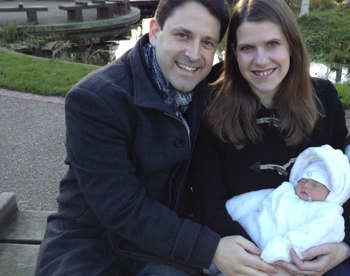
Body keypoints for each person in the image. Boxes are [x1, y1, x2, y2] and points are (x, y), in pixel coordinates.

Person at [34, 1, 278, 275]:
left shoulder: (210, 93)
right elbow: (122, 208)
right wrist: (211, 249)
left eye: (207, 43)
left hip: (164, 247)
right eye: (182, 35)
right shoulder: (96, 100)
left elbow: (272, 78)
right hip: (91, 245)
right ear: (154, 31)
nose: (194, 54)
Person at [189, 0, 350, 275]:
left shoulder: (324, 98)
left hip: (313, 243)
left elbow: (345, 185)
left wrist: (345, 246)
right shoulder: (210, 103)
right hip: (244, 250)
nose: (261, 60)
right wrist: (269, 262)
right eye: (247, 48)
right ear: (233, 52)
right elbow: (207, 202)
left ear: (291, 45)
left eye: (272, 44)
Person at [225, 144, 350, 263]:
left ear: (333, 193)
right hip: (249, 232)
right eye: (303, 181)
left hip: (277, 256)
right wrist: (230, 210)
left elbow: (308, 237)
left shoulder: (329, 215)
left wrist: (281, 249)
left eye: (316, 185)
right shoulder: (285, 191)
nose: (307, 186)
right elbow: (253, 200)